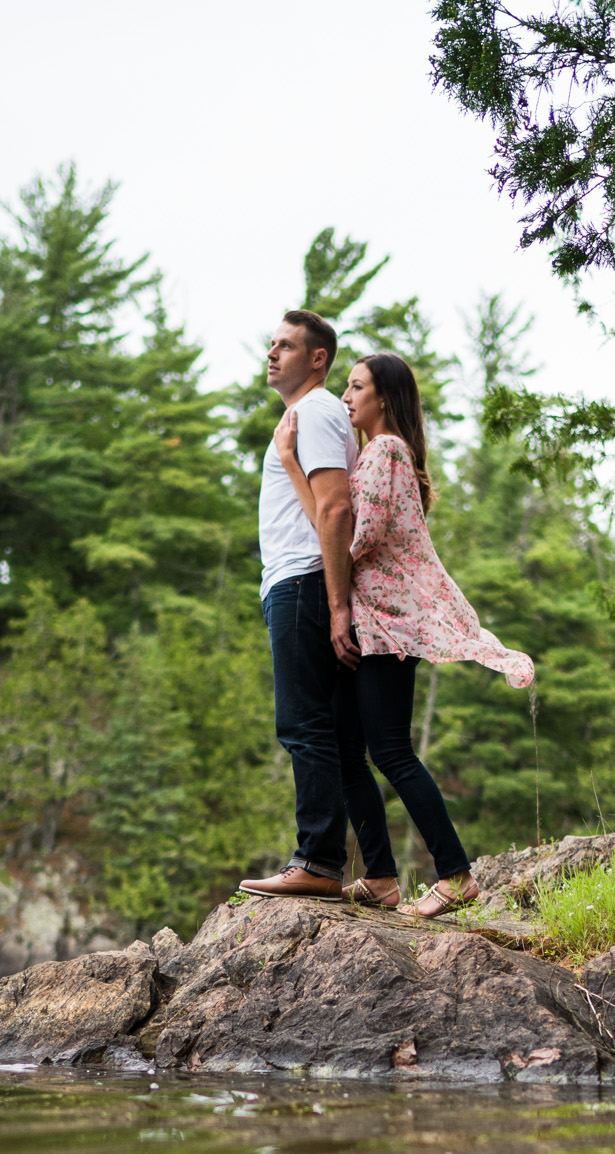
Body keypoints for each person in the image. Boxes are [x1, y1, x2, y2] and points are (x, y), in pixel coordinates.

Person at [274, 350, 533, 919]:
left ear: (384, 398)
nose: (346, 397)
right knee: (345, 750)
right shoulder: (374, 455)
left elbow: (344, 537)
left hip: (388, 632)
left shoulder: (387, 451)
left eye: (356, 386)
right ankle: (383, 878)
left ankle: (457, 874)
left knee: (389, 751)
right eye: (346, 386)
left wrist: (292, 462)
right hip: (369, 629)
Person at [237, 310, 359, 901]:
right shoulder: (307, 415)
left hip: (304, 583)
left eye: (285, 346)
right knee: (326, 729)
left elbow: (335, 510)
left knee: (304, 725)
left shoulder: (312, 411)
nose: (272, 353)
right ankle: (348, 864)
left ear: (317, 358)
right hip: (300, 584)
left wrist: (337, 606)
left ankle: (318, 861)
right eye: (271, 344)